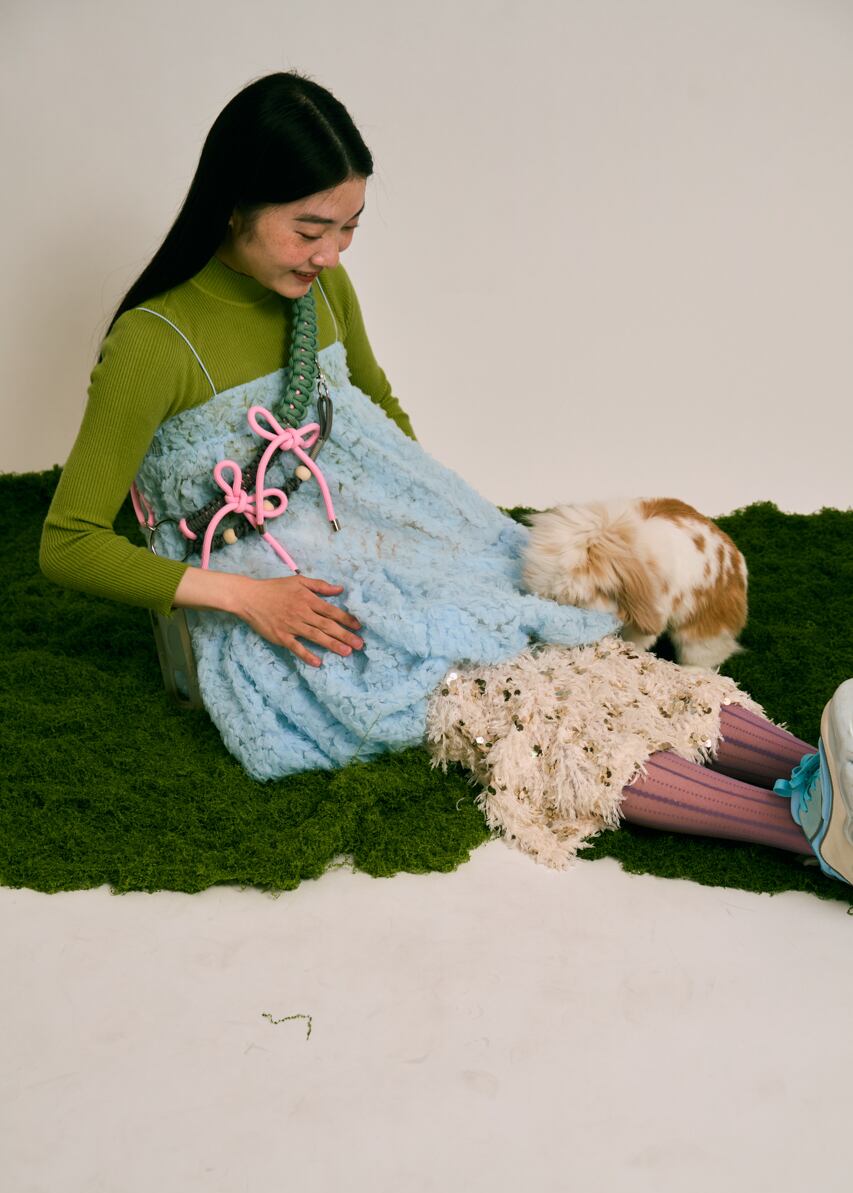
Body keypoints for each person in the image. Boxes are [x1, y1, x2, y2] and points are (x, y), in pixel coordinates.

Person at [39, 71, 853, 887]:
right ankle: (806, 830)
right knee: (507, 703)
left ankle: (825, 772)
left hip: (378, 538)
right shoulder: (152, 344)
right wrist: (250, 600)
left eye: (348, 229)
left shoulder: (321, 290)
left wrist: (440, 532)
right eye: (309, 229)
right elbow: (69, 543)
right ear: (232, 205)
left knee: (566, 645)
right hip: (283, 594)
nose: (329, 254)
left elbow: (374, 412)